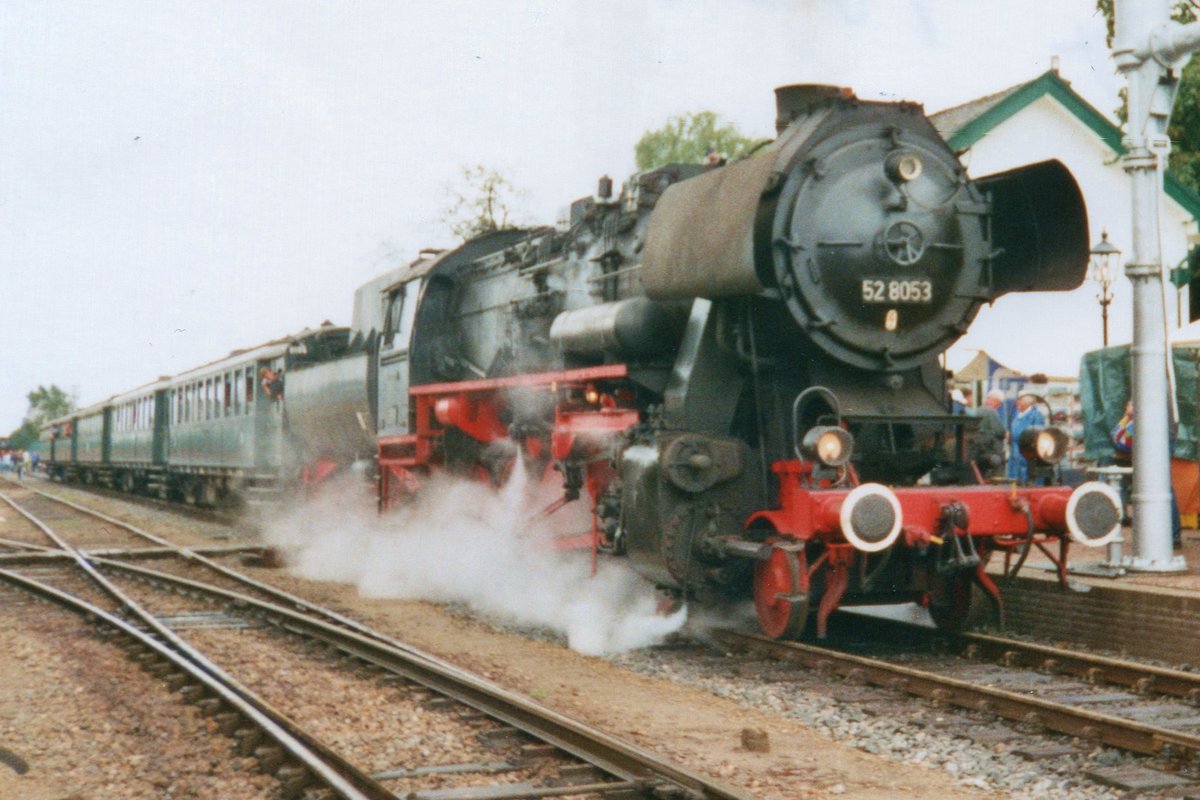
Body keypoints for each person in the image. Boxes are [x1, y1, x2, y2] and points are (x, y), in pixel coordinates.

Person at [1111, 399, 1182, 548]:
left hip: (1157, 437)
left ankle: (1170, 535)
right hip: (1162, 435)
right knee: (1162, 487)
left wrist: (1130, 413)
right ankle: (1170, 535)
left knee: (1160, 487)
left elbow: (1121, 434)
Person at [969, 389, 1007, 479]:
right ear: (995, 401)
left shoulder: (978, 410)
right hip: (990, 449)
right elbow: (1000, 431)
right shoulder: (991, 412)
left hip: (978, 448)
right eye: (999, 403)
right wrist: (1006, 434)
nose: (999, 405)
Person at [1007, 394, 1045, 483]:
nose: (1017, 403)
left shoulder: (1035, 416)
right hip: (1015, 455)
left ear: (1029, 403)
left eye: (1021, 400)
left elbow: (1036, 435)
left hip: (1027, 456)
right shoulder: (1019, 415)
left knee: (1027, 481)